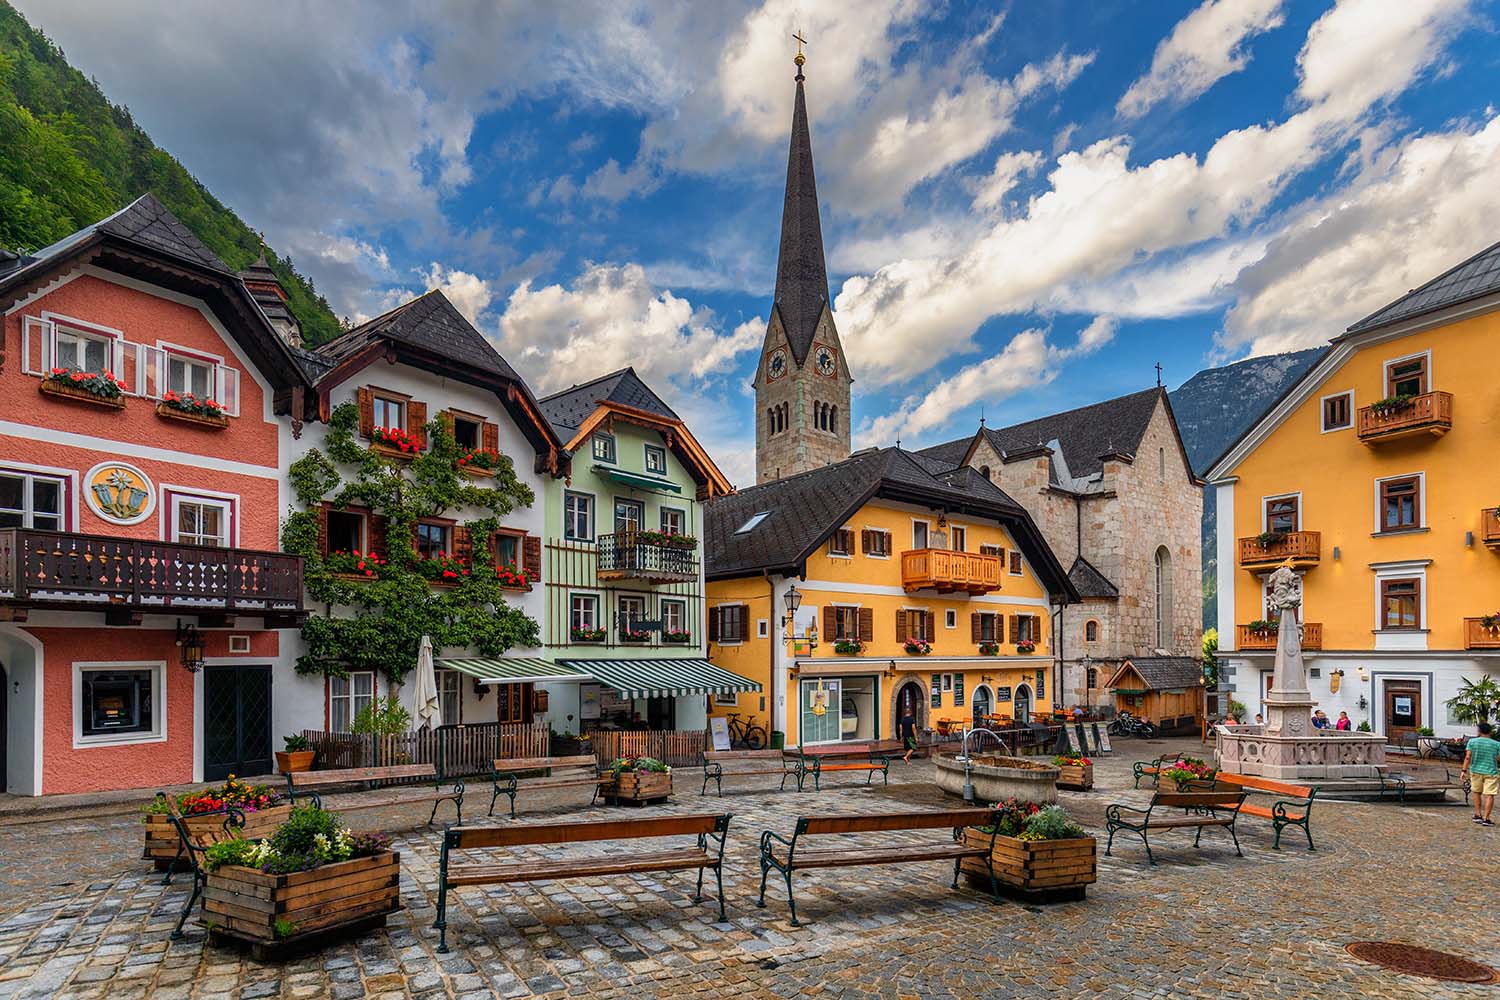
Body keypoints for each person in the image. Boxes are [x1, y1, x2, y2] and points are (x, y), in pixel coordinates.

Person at [1462, 721, 1500, 826]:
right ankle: (1486, 818)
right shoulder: (1497, 744)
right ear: (1490, 732)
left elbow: (1468, 757)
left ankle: (1478, 815)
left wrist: (1463, 771)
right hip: (1491, 772)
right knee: (1489, 795)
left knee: (1476, 792)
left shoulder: (1472, 742)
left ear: (1479, 731)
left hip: (1476, 771)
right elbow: (1498, 758)